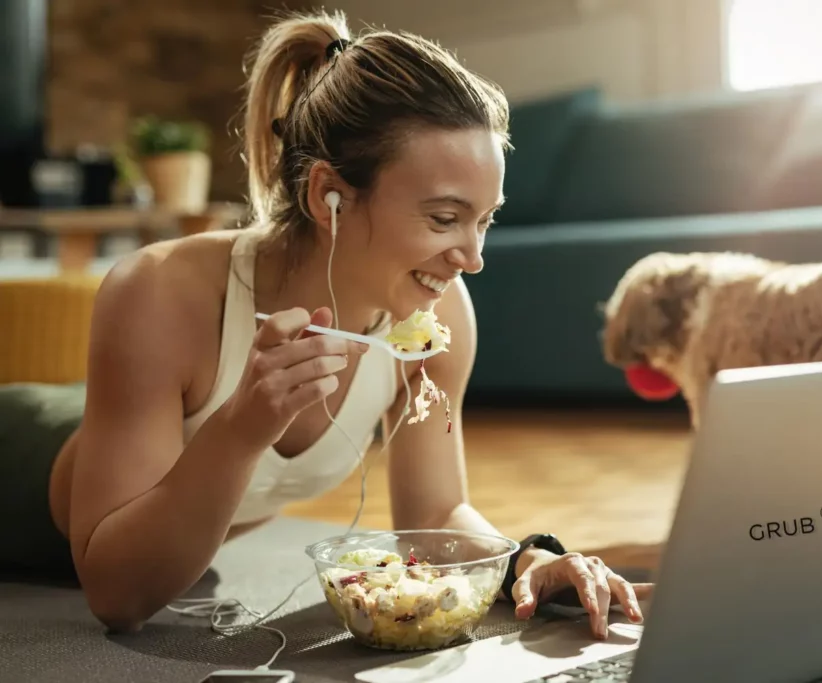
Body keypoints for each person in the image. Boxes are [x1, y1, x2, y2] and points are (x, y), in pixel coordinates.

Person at [0, 10, 653, 639]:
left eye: (484, 220)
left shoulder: (438, 315)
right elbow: (117, 594)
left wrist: (524, 560)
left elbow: (433, 512)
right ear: (327, 196)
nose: (473, 259)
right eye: (444, 217)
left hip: (180, 537)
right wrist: (240, 427)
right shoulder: (161, 292)